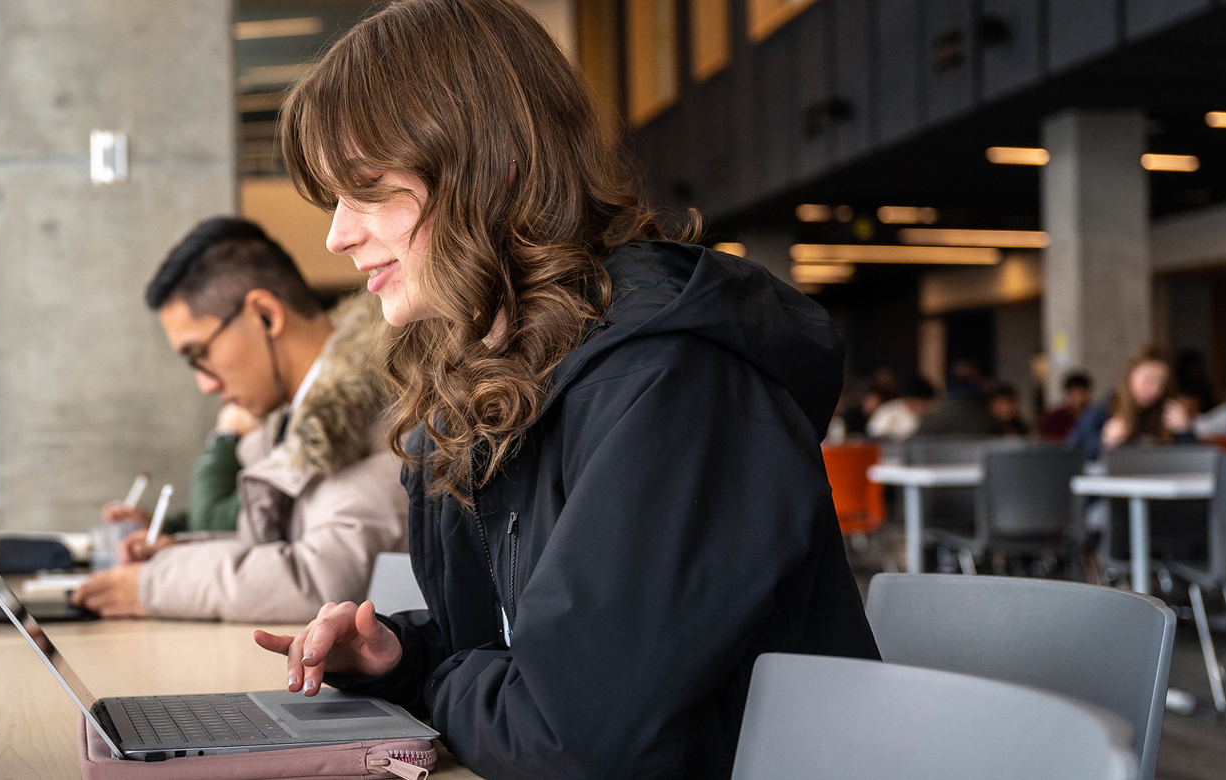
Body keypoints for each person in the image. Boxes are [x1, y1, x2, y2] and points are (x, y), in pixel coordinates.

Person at [248, 3, 878, 778]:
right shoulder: (496, 381)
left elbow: (570, 739)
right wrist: (401, 659)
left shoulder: (668, 383)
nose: (337, 235)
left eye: (368, 189)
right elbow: (523, 645)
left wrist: (436, 686)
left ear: (494, 167)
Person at [71, 217, 408, 621]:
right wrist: (182, 554)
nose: (205, 385)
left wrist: (155, 583)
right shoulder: (295, 419)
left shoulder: (384, 398)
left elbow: (323, 580)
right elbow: (279, 547)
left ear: (264, 315)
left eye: (200, 355)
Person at [101, 402, 259, 535]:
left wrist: (226, 438)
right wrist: (158, 526)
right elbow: (209, 524)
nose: (208, 387)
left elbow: (211, 524)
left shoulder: (277, 451)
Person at [1070, 347, 1195, 460]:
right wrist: (1104, 442)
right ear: (1131, 374)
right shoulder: (1107, 406)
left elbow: (1191, 460)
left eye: (1160, 383)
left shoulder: (1167, 411)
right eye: (1148, 379)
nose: (1154, 389)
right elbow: (1073, 448)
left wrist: (1185, 430)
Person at [866, 376, 935, 441]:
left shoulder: (928, 417)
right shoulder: (889, 411)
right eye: (922, 403)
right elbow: (875, 434)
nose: (924, 408)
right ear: (910, 399)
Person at [1037, 371, 1091, 441]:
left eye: (1081, 393)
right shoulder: (1054, 417)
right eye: (1073, 394)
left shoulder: (1094, 416)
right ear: (1067, 394)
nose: (1078, 399)